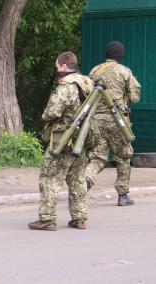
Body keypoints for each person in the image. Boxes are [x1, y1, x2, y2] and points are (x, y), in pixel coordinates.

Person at [28, 51, 93, 231]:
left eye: (57, 67)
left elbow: (51, 112)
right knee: (77, 178)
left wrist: (45, 116)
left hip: (63, 140)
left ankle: (47, 218)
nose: (57, 70)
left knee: (50, 177)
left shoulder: (66, 87)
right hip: (83, 139)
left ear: (64, 66)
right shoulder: (88, 84)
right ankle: (79, 218)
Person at [85, 41, 141, 206]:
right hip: (118, 121)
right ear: (120, 55)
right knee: (123, 157)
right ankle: (122, 195)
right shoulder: (124, 71)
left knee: (97, 157)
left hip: (96, 121)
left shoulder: (95, 70)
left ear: (107, 54)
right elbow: (134, 97)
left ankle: (86, 180)